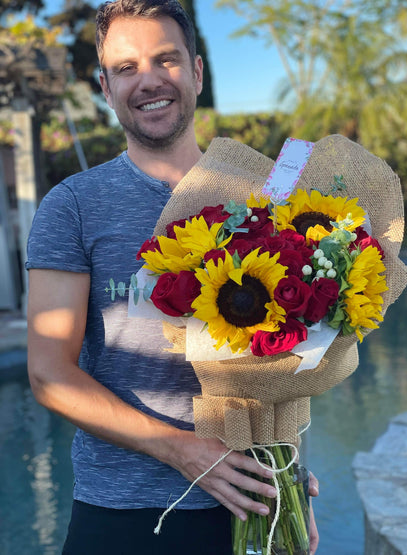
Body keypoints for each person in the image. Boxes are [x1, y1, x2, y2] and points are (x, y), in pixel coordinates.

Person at [26, 1, 319, 553]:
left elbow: (290, 362)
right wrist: (181, 450)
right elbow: (47, 373)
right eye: (126, 67)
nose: (149, 81)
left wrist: (293, 478)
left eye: (167, 59)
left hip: (253, 504)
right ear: (105, 87)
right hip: (124, 516)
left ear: (198, 71)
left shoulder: (266, 198)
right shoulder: (73, 206)